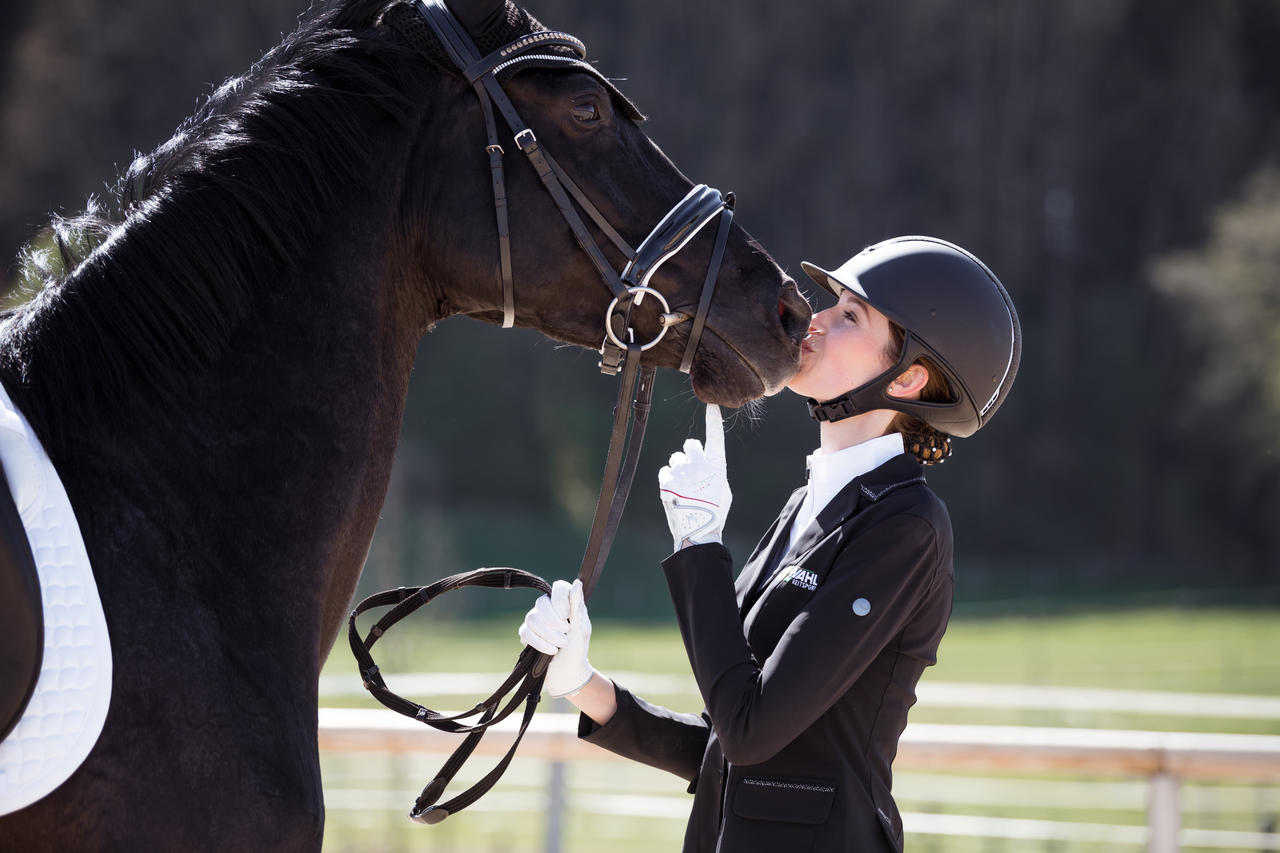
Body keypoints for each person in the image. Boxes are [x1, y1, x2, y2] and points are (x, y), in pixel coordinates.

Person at [519, 236, 1021, 852]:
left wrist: (701, 545)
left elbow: (749, 731)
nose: (816, 319)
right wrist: (583, 683)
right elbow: (723, 751)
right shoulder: (808, 503)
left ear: (910, 377)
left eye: (849, 317)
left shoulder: (906, 529)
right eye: (832, 303)